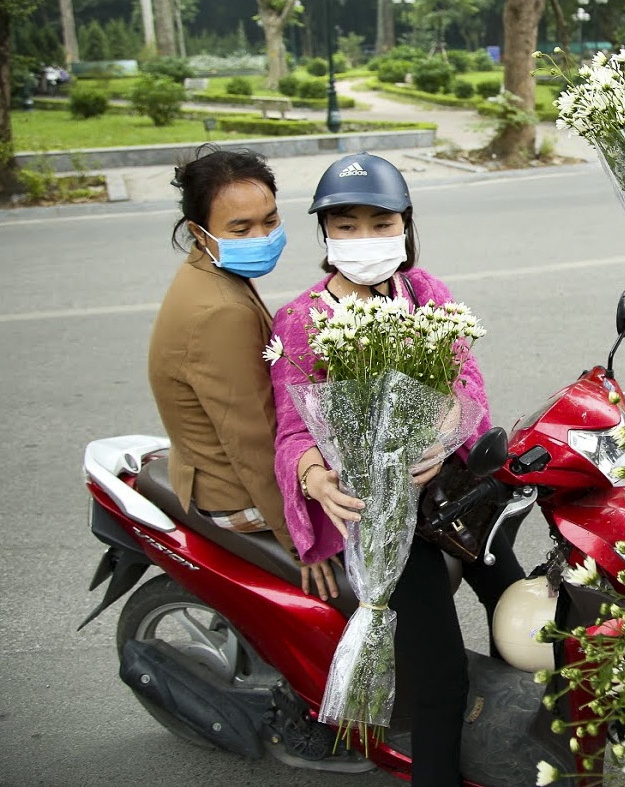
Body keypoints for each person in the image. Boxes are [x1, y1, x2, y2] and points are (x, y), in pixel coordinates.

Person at [269, 152, 523, 787]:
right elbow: (293, 424)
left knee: (525, 615)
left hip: (453, 497)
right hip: (383, 520)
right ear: (324, 234)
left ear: (406, 226)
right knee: (441, 679)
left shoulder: (424, 292)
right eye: (346, 225)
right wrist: (315, 479)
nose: (364, 239)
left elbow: (468, 381)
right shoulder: (301, 320)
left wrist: (445, 431)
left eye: (381, 223)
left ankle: (521, 740)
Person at [149, 147, 338, 592]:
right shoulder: (220, 312)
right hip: (233, 492)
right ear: (200, 231)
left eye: (270, 221)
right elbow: (254, 441)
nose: (262, 235)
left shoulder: (209, 272)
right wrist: (299, 540)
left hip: (207, 464)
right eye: (241, 228)